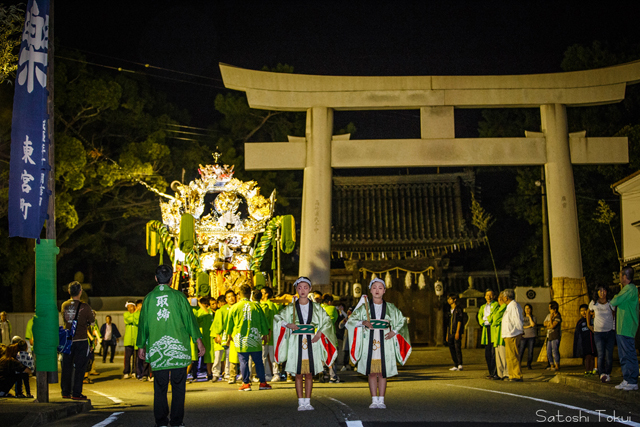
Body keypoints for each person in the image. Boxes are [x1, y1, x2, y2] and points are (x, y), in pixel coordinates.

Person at [137, 264, 205, 427]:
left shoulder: (148, 299)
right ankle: (176, 422)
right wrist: (198, 341)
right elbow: (190, 320)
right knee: (178, 386)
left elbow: (143, 325)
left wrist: (141, 346)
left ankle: (161, 421)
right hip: (178, 349)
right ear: (171, 279)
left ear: (155, 278)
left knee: (160, 386)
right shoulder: (179, 297)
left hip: (157, 349)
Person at [346, 278, 412, 409]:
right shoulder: (364, 308)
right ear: (370, 290)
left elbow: (401, 320)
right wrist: (363, 323)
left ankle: (381, 400)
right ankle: (373, 399)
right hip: (368, 340)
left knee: (382, 372)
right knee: (371, 372)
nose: (377, 290)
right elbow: (351, 320)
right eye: (374, 287)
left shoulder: (391, 307)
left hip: (385, 341)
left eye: (380, 288)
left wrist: (394, 331)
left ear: (384, 291)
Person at [273, 277, 338, 410]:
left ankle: (307, 401)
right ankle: (300, 401)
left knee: (309, 373)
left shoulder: (316, 307)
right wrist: (287, 324)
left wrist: (319, 333)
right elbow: (277, 318)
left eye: (305, 287)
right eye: (300, 287)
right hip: (296, 341)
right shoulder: (290, 308)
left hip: (311, 340)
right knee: (298, 373)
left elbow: (326, 321)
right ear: (296, 289)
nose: (302, 290)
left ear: (310, 289)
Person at [225, 284, 272, 392]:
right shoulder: (256, 307)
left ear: (239, 294)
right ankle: (263, 383)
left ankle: (246, 384)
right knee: (258, 361)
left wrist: (228, 337)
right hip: (254, 338)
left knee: (244, 361)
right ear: (250, 293)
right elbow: (263, 323)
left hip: (240, 339)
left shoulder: (234, 307)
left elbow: (229, 325)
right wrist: (265, 335)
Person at [60, 281, 95, 400]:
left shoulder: (64, 305)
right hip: (81, 340)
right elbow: (92, 322)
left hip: (68, 340)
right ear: (80, 292)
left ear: (69, 291)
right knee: (80, 367)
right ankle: (76, 392)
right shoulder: (85, 307)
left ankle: (65, 391)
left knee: (67, 366)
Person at [611, 267, 639, 391]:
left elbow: (614, 301)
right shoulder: (628, 289)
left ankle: (632, 380)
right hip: (622, 327)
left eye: (620, 275)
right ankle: (627, 379)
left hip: (627, 327)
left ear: (624, 276)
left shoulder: (630, 289)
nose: (620, 277)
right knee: (623, 355)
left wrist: (617, 295)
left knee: (629, 354)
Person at [587, 285, 616, 383]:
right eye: (600, 291)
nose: (602, 293)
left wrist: (613, 326)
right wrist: (589, 324)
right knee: (601, 354)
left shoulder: (610, 302)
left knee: (609, 355)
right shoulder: (593, 303)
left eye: (604, 291)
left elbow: (614, 314)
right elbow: (588, 312)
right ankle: (601, 373)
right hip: (598, 333)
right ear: (597, 292)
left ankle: (607, 373)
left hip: (610, 332)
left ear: (607, 292)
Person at [211, 289, 238, 384]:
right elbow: (216, 323)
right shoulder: (222, 310)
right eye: (229, 297)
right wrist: (217, 335)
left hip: (233, 337)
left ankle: (227, 373)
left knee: (229, 356)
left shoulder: (237, 307)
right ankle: (215, 373)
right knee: (218, 356)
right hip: (222, 336)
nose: (231, 298)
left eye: (232, 296)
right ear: (226, 299)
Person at [501, 288, 524, 382]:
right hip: (508, 334)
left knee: (513, 355)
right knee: (509, 356)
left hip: (513, 333)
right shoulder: (510, 306)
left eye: (503, 297)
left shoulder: (514, 306)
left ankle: (517, 375)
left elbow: (517, 319)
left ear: (506, 297)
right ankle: (511, 374)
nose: (502, 298)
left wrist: (520, 330)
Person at [477, 289, 499, 379]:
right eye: (487, 295)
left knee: (493, 352)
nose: (489, 297)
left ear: (493, 296)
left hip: (492, 328)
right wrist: (483, 321)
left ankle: (495, 372)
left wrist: (487, 319)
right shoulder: (482, 307)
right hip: (486, 328)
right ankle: (490, 372)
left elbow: (493, 316)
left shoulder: (496, 304)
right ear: (485, 296)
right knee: (487, 352)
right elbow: (480, 316)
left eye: (490, 295)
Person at [260, 286, 278, 381]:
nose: (261, 294)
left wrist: (268, 334)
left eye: (262, 292)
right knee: (267, 356)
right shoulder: (267, 305)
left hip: (269, 334)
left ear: (266, 294)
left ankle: (275, 374)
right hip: (269, 334)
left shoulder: (269, 305)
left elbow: (270, 321)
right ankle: (268, 374)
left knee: (270, 356)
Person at [193, 297, 214, 381]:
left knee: (207, 355)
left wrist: (198, 302)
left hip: (204, 336)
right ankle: (195, 374)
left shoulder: (206, 311)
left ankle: (209, 373)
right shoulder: (196, 310)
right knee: (195, 357)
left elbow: (205, 311)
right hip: (199, 336)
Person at [321, 293, 340, 382]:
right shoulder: (332, 308)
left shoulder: (318, 308)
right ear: (329, 302)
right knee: (332, 354)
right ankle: (332, 375)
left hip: (319, 334)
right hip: (329, 334)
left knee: (322, 354)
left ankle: (324, 373)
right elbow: (335, 319)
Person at [573, 304, 597, 375]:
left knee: (593, 357)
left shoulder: (593, 320)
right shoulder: (580, 322)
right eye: (581, 311)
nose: (583, 312)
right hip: (584, 343)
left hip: (593, 342)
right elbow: (577, 334)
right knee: (587, 357)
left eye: (585, 310)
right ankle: (587, 371)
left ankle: (593, 370)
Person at [210, 295, 227, 382]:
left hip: (223, 337)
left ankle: (222, 373)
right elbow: (216, 325)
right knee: (221, 357)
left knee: (222, 358)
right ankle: (217, 374)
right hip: (221, 337)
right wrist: (216, 335)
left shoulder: (223, 310)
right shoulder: (219, 311)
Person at [491, 292, 508, 380]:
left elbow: (496, 318)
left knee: (503, 356)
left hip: (502, 335)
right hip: (496, 335)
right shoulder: (497, 308)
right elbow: (492, 319)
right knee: (498, 357)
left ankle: (506, 373)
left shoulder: (504, 307)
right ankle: (500, 373)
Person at [445, 293, 464, 371]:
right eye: (448, 299)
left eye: (450, 299)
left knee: (457, 348)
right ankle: (455, 364)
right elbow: (448, 323)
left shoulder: (458, 309)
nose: (449, 301)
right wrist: (447, 334)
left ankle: (460, 363)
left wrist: (457, 332)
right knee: (451, 348)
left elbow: (460, 320)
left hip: (456, 331)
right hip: (450, 332)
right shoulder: (449, 310)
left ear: (454, 300)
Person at [543, 301, 562, 371]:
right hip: (550, 336)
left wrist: (550, 320)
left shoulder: (558, 316)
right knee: (548, 351)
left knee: (555, 350)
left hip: (555, 336)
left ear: (554, 309)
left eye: (550, 308)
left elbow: (552, 326)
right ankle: (551, 364)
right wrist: (549, 324)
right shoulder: (549, 315)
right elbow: (545, 323)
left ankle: (557, 364)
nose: (549, 309)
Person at [518, 303, 537, 370]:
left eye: (528, 308)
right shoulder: (522, 318)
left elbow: (533, 324)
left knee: (530, 351)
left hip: (531, 336)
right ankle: (518, 364)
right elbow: (521, 326)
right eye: (526, 308)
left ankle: (529, 364)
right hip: (523, 336)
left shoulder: (533, 317)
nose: (527, 310)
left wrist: (529, 317)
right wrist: (529, 326)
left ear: (531, 309)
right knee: (521, 351)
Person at [123, 301, 138, 379]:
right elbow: (128, 320)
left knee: (136, 357)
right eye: (128, 307)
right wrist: (134, 317)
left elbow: (137, 321)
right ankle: (126, 372)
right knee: (127, 357)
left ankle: (134, 371)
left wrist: (134, 315)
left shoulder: (138, 313)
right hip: (128, 339)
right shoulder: (126, 314)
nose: (129, 308)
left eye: (131, 306)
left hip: (135, 339)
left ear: (134, 307)